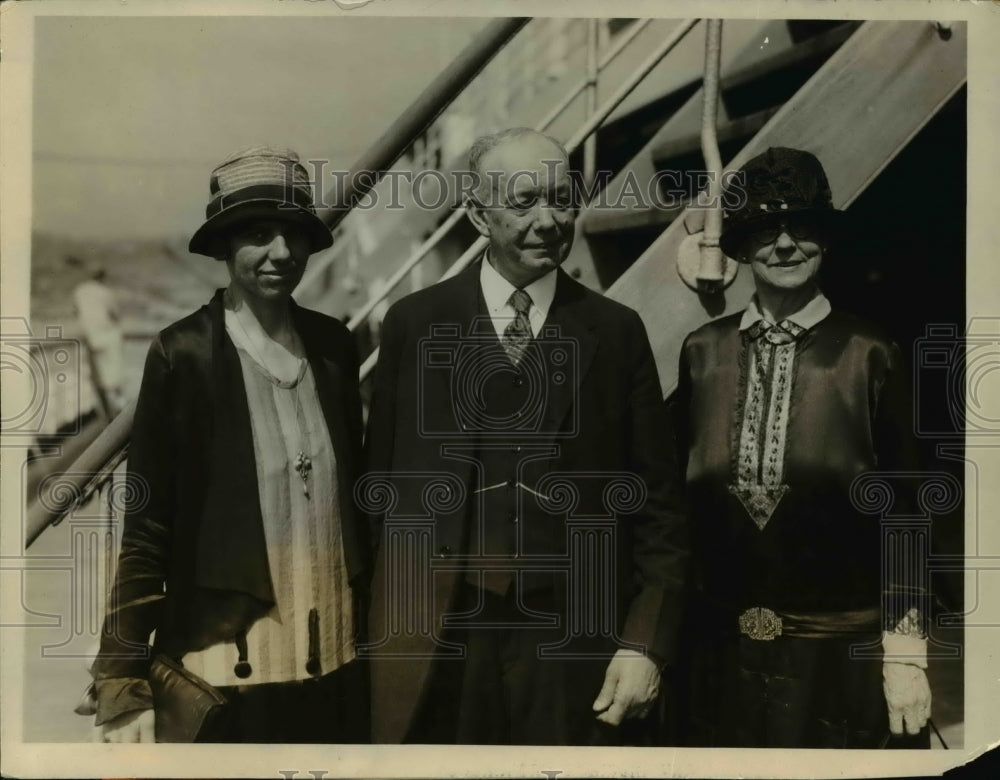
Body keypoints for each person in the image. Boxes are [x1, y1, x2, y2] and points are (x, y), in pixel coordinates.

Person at [363, 128, 689, 745]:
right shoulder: (414, 324)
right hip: (442, 639)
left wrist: (645, 644)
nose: (548, 221)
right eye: (522, 202)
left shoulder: (615, 332)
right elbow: (375, 493)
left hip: (574, 643)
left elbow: (661, 511)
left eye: (561, 199)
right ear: (477, 213)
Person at [88, 146, 370, 743]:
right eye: (258, 234)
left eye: (294, 234)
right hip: (227, 678)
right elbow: (146, 530)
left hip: (341, 667)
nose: (282, 253)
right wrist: (121, 678)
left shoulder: (333, 346)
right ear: (222, 247)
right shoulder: (182, 354)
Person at [674, 147, 931, 748]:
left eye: (803, 227)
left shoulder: (871, 354)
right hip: (720, 660)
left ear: (827, 239)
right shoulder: (702, 352)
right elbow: (675, 512)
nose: (786, 244)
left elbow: (909, 514)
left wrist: (906, 656)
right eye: (766, 229)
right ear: (740, 246)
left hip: (843, 663)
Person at [72, 261, 125, 414]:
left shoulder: (79, 291)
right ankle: (119, 415)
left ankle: (106, 414)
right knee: (115, 379)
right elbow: (115, 315)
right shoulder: (105, 292)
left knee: (98, 379)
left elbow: (76, 312)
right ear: (103, 277)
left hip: (91, 338)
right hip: (109, 337)